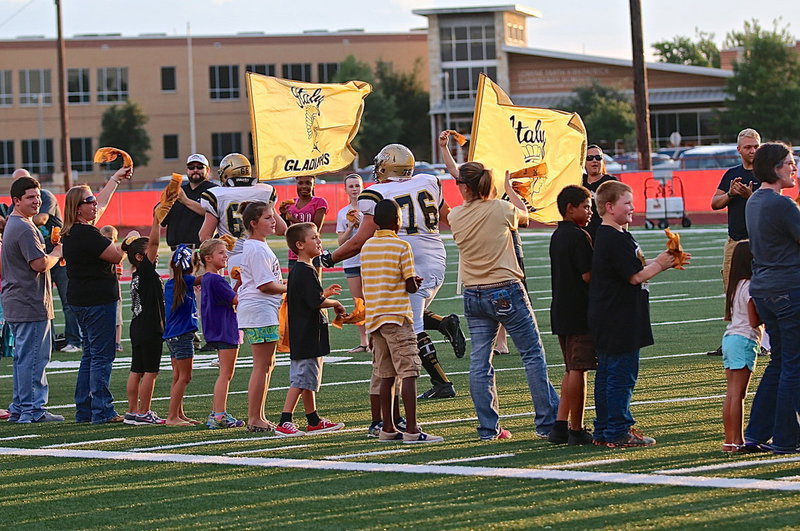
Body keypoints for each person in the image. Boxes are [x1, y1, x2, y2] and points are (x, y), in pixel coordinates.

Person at [324, 144, 465, 400]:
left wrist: (329, 258)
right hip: (435, 257)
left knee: (412, 326)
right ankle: (445, 324)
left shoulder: (377, 193)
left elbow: (359, 241)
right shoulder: (428, 181)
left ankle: (442, 382)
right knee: (400, 311)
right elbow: (450, 218)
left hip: (406, 261)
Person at [448, 162, 560, 440]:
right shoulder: (501, 208)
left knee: (480, 363)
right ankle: (546, 423)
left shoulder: (455, 215)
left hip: (473, 292)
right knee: (532, 355)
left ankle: (488, 428)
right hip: (505, 288)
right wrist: (511, 189)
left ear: (465, 187)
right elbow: (525, 218)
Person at [588, 180, 687, 447]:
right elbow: (634, 276)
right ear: (610, 207)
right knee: (620, 375)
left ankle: (604, 429)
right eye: (627, 203)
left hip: (612, 315)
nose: (633, 207)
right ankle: (618, 430)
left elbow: (634, 266)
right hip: (618, 317)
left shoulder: (615, 234)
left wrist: (664, 259)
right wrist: (662, 264)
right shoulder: (612, 237)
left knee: (608, 374)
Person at [362, 200, 443, 443]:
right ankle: (412, 430)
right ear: (398, 222)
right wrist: (414, 282)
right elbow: (409, 284)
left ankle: (387, 427)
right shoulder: (401, 246)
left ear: (376, 222)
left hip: (375, 318)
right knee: (409, 372)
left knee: (385, 375)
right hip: (397, 316)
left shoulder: (367, 246)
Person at [742, 142, 800, 454]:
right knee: (793, 365)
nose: (794, 168)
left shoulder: (755, 200)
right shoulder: (781, 204)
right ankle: (786, 438)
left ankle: (757, 432)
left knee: (780, 362)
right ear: (776, 168)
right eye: (790, 163)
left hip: (765, 289)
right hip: (788, 288)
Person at [62, 166, 132, 424]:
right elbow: (115, 256)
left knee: (90, 354)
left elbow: (101, 205)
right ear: (78, 208)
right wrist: (129, 242)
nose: (94, 204)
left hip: (81, 299)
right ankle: (102, 410)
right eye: (88, 201)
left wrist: (115, 179)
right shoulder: (86, 233)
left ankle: (85, 409)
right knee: (102, 356)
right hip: (97, 300)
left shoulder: (73, 231)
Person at [1, 174, 64, 423]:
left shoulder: (16, 223)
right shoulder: (24, 227)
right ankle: (32, 409)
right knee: (35, 358)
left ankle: (20, 406)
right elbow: (39, 264)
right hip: (29, 301)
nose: (36, 201)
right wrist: (57, 252)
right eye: (30, 197)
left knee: (24, 358)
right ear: (16, 200)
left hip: (20, 300)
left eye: (38, 196)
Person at [276, 222, 346, 436]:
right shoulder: (305, 270)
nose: (319, 241)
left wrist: (325, 294)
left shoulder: (303, 269)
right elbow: (315, 302)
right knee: (300, 380)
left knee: (308, 380)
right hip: (306, 334)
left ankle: (313, 419)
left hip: (306, 332)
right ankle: (284, 420)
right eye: (314, 238)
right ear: (300, 245)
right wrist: (335, 303)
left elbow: (310, 297)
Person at [709, 128, 766, 356]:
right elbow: (714, 203)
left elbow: (772, 206)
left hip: (759, 242)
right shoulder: (732, 174)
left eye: (755, 146)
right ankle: (733, 337)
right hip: (735, 241)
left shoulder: (767, 173)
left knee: (759, 291)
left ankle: (760, 341)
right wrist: (731, 194)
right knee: (731, 290)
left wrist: (749, 196)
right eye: (748, 147)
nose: (752, 151)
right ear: (739, 150)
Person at [547, 185, 596, 446]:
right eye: (586, 207)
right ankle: (576, 428)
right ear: (570, 208)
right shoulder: (579, 236)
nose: (590, 212)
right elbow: (588, 275)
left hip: (561, 309)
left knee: (570, 369)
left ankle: (560, 424)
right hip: (579, 310)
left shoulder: (557, 235)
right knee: (578, 369)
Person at [236, 201, 288, 434]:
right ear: (253, 223)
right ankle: (254, 417)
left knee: (267, 364)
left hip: (263, 309)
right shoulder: (256, 249)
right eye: (268, 217)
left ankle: (259, 415)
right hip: (259, 310)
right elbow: (265, 285)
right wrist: (292, 287)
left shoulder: (258, 246)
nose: (273, 221)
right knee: (261, 365)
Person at [198, 153, 286, 270]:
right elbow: (281, 230)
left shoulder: (216, 195)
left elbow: (204, 236)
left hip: (234, 257)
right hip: (260, 252)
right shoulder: (264, 191)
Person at [121, 212, 166, 426]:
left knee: (136, 370)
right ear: (140, 257)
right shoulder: (146, 272)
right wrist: (156, 221)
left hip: (138, 325)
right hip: (150, 327)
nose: (155, 255)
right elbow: (155, 243)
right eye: (150, 252)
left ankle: (132, 411)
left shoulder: (138, 273)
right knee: (150, 371)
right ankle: (144, 412)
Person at [721, 241, 763, 453]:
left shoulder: (735, 285)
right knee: (739, 395)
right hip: (744, 339)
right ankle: (738, 440)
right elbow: (754, 320)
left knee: (731, 394)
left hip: (730, 338)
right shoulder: (750, 287)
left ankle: (729, 440)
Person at [198, 238, 245, 429]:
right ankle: (219, 415)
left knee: (224, 373)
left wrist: (239, 283)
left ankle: (217, 413)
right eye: (221, 253)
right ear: (208, 258)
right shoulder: (216, 279)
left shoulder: (209, 278)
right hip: (225, 329)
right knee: (226, 373)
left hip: (217, 329)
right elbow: (236, 300)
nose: (226, 256)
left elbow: (228, 297)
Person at [163, 244, 200, 426]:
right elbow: (208, 278)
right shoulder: (188, 281)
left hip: (172, 335)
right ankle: (172, 417)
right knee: (185, 377)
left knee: (178, 376)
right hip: (183, 334)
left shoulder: (172, 283)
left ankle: (178, 413)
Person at [335, 173, 369, 353]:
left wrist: (362, 223)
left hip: (370, 259)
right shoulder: (343, 213)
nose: (355, 189)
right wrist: (350, 227)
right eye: (351, 186)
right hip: (351, 261)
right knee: (359, 302)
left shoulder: (369, 209)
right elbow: (341, 242)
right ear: (346, 189)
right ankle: (364, 342)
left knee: (374, 299)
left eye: (357, 185)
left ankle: (376, 340)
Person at [161, 153, 217, 250]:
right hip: (176, 250)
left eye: (200, 167)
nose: (195, 170)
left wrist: (185, 200)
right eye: (191, 167)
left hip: (200, 249)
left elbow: (212, 212)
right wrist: (165, 202)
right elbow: (161, 219)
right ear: (187, 170)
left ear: (207, 170)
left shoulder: (213, 190)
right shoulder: (179, 190)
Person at [279, 174, 327, 271]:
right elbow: (286, 231)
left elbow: (315, 229)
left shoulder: (319, 202)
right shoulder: (291, 204)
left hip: (313, 252)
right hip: (294, 253)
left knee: (314, 281)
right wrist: (283, 215)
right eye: (300, 183)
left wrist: (293, 219)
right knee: (294, 281)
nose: (304, 186)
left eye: (308, 183)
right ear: (296, 184)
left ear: (314, 185)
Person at [582, 145, 618, 240]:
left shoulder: (610, 182)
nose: (594, 160)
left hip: (606, 235)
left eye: (598, 157)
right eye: (589, 158)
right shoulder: (579, 182)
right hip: (584, 236)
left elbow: (620, 210)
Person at [99, 225, 123, 352]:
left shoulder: (115, 254)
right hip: (102, 290)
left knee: (117, 318)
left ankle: (117, 342)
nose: (108, 241)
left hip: (113, 289)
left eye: (110, 238)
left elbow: (118, 275)